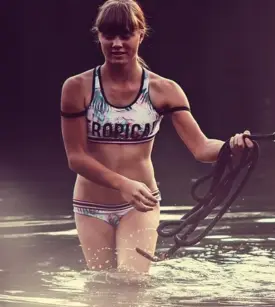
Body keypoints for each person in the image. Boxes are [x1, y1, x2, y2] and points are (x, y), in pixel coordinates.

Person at [60, 0, 254, 274]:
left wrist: (231, 147)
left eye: (126, 35)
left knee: (132, 282)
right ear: (99, 36)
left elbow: (201, 148)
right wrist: (123, 184)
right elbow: (76, 157)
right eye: (109, 35)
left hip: (141, 203)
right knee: (102, 282)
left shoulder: (164, 90)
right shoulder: (77, 88)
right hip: (91, 205)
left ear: (141, 34)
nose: (117, 43)